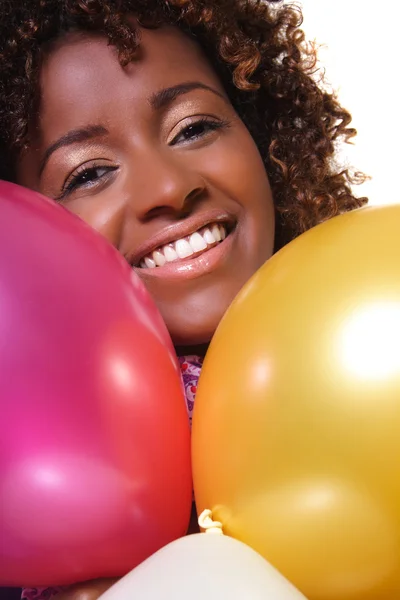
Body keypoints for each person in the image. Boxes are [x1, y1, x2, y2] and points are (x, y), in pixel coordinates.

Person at [0, 0, 367, 599]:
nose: (169, 188)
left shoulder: (373, 352)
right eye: (88, 173)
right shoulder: (30, 476)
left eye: (193, 128)